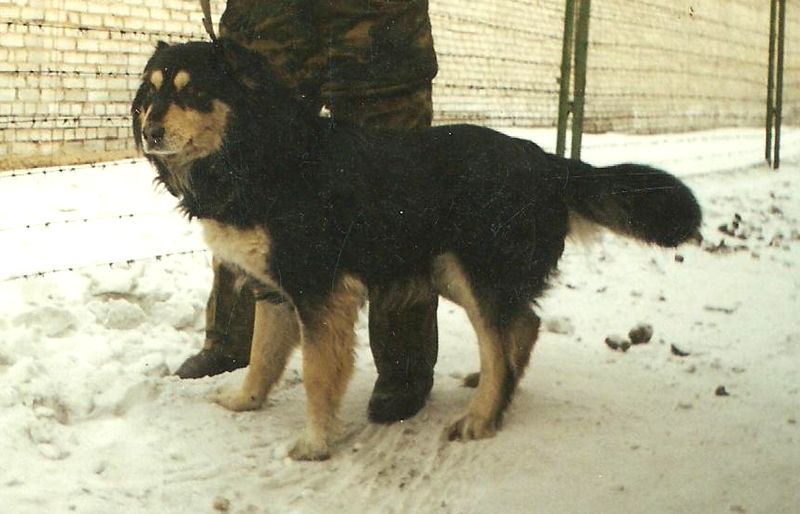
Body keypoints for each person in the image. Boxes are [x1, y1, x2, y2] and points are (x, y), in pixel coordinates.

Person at [175, 0, 440, 423]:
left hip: (375, 26)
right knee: (242, 169)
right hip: (269, 20)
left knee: (394, 183)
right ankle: (231, 341)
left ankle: (404, 366)